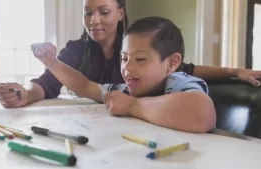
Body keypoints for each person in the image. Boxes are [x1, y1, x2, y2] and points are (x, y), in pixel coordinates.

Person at [0, 0, 261, 108]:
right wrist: (28, 91)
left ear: (120, 13)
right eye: (88, 12)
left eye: (104, 11)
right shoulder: (76, 51)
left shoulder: (171, 77)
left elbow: (187, 71)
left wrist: (235, 71)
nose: (94, 20)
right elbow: (53, 82)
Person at [31, 16, 216, 133]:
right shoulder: (127, 90)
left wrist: (133, 106)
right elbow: (85, 86)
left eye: (140, 59)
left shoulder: (178, 82)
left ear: (172, 63)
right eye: (124, 58)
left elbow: (203, 113)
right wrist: (52, 63)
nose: (127, 68)